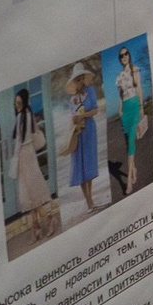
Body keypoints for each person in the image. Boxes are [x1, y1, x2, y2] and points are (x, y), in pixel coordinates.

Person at [9, 87, 55, 243]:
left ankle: (48, 219)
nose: (17, 106)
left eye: (19, 103)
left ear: (24, 102)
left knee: (29, 194)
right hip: (30, 154)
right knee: (31, 194)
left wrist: (14, 161)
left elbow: (19, 142)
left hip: (23, 156)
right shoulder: (29, 114)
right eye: (15, 103)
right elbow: (34, 132)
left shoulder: (21, 117)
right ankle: (36, 229)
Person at [64, 70, 100, 215]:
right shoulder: (72, 99)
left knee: (89, 164)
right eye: (77, 79)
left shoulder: (90, 91)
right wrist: (74, 119)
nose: (80, 81)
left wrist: (84, 115)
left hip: (89, 129)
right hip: (78, 132)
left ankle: (91, 199)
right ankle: (88, 201)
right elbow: (71, 116)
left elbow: (96, 109)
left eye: (82, 78)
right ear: (74, 81)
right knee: (80, 165)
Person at [115, 46, 145, 194]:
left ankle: (128, 182)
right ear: (120, 59)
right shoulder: (119, 77)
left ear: (129, 55)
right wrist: (120, 111)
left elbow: (139, 88)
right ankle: (134, 169)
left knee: (132, 141)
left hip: (134, 106)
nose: (124, 57)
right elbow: (120, 96)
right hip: (125, 111)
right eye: (122, 55)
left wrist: (141, 107)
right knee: (128, 143)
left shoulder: (135, 70)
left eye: (126, 54)